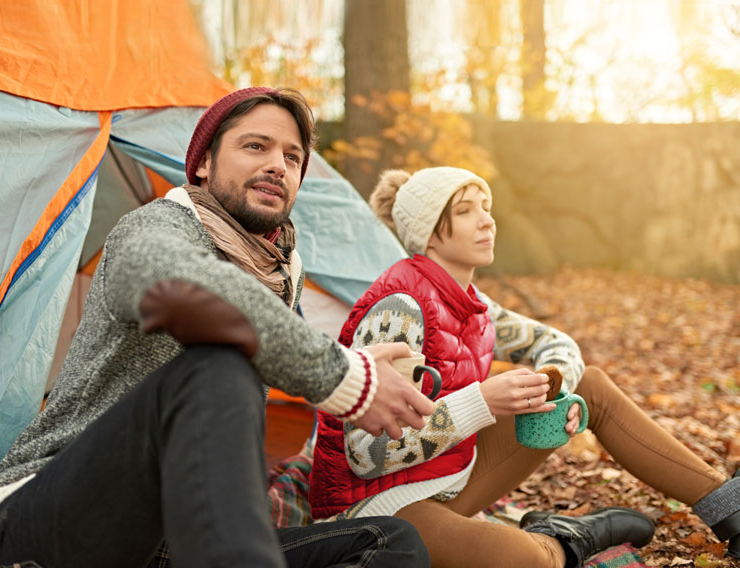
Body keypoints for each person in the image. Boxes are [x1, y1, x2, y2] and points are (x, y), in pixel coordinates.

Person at [0, 87, 438, 568]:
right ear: (204, 164)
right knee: (215, 367)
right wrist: (343, 377)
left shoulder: (277, 273)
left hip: (169, 546)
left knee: (390, 542)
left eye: (293, 158)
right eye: (256, 146)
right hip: (42, 525)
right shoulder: (156, 226)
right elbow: (174, 282)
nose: (278, 165)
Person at [308, 166, 740, 568]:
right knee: (523, 560)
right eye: (464, 211)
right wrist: (481, 402)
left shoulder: (473, 303)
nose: (486, 221)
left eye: (486, 208)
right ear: (429, 235)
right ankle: (567, 536)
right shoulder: (397, 309)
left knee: (590, 383)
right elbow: (365, 454)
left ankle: (729, 506)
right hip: (381, 506)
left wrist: (556, 391)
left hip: (452, 475)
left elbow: (557, 344)